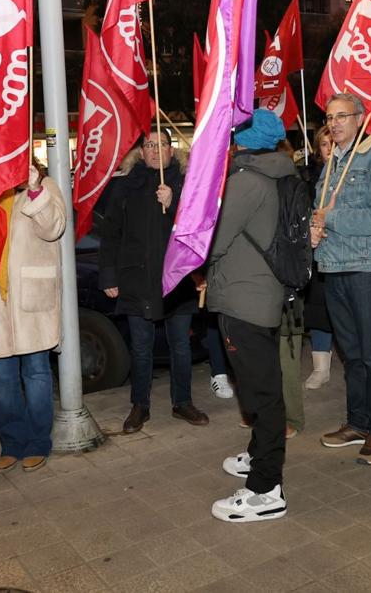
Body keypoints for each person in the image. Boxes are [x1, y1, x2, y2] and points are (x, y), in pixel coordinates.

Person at [207, 109, 295, 522]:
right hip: (260, 294)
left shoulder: (247, 181)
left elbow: (214, 240)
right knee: (262, 384)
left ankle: (265, 489)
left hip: (244, 296)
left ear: (243, 139)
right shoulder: (278, 172)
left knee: (261, 392)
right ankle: (260, 453)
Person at [312, 93, 371, 466]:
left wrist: (329, 220)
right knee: (351, 354)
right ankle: (357, 422)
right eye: (330, 117)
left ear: (360, 118)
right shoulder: (332, 160)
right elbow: (321, 209)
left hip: (368, 267)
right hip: (334, 266)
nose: (334, 124)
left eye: (342, 117)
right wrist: (315, 231)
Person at [99, 130, 208, 434]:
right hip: (137, 278)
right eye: (149, 144)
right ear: (141, 151)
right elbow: (111, 233)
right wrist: (109, 273)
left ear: (171, 150)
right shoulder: (126, 184)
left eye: (161, 144)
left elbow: (199, 229)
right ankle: (140, 406)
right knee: (141, 347)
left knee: (181, 347)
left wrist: (174, 203)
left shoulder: (187, 182)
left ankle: (182, 402)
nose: (155, 149)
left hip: (178, 278)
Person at [0, 160, 67, 473]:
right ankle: (11, 444)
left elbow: (54, 228)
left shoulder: (45, 187)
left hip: (30, 300)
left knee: (35, 374)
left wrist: (34, 189)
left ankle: (37, 443)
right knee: (3, 379)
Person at [304, 126, 336, 390]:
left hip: (345, 253)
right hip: (317, 252)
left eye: (334, 143)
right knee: (318, 307)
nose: (330, 148)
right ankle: (320, 367)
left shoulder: (351, 174)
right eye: (325, 144)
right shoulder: (309, 179)